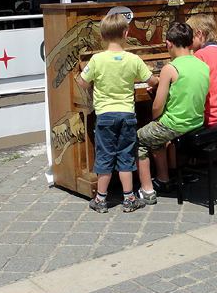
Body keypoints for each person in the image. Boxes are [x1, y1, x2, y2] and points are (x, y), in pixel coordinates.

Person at [77, 13, 158, 213]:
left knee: (104, 156)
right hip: (127, 115)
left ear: (102, 36)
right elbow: (151, 80)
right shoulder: (133, 59)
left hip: (105, 115)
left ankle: (101, 199)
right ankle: (129, 198)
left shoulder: (97, 59)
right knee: (126, 156)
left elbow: (81, 81)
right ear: (126, 33)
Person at [136, 22, 209, 205]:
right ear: (191, 42)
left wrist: (155, 119)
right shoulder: (202, 64)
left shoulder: (170, 68)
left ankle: (147, 190)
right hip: (196, 121)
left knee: (138, 139)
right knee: (155, 136)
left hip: (175, 124)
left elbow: (157, 107)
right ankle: (163, 179)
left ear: (169, 44)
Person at [188, 14, 217, 127]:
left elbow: (192, 88)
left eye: (190, 37)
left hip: (211, 118)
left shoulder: (200, 55)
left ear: (199, 34)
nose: (187, 42)